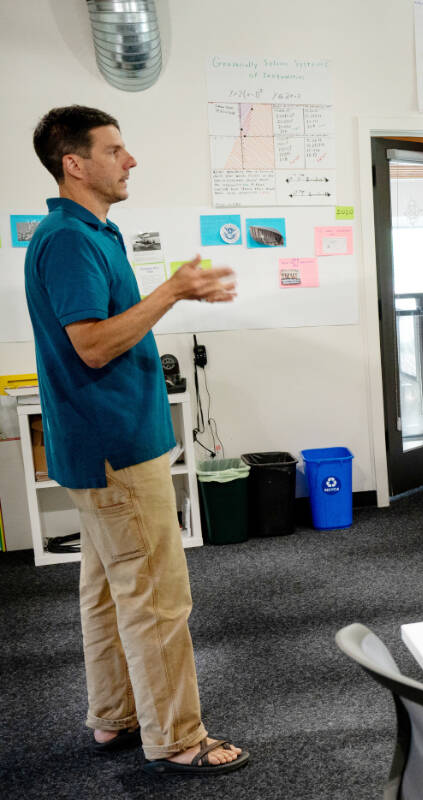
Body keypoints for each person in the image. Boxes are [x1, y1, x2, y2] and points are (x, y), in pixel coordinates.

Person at [25, 106, 248, 774]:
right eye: (114, 150)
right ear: (74, 163)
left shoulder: (92, 232)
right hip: (115, 448)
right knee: (156, 598)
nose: (130, 160)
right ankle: (177, 738)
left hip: (106, 444)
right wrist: (172, 291)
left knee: (107, 592)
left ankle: (115, 715)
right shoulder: (70, 240)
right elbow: (93, 345)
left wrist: (170, 294)